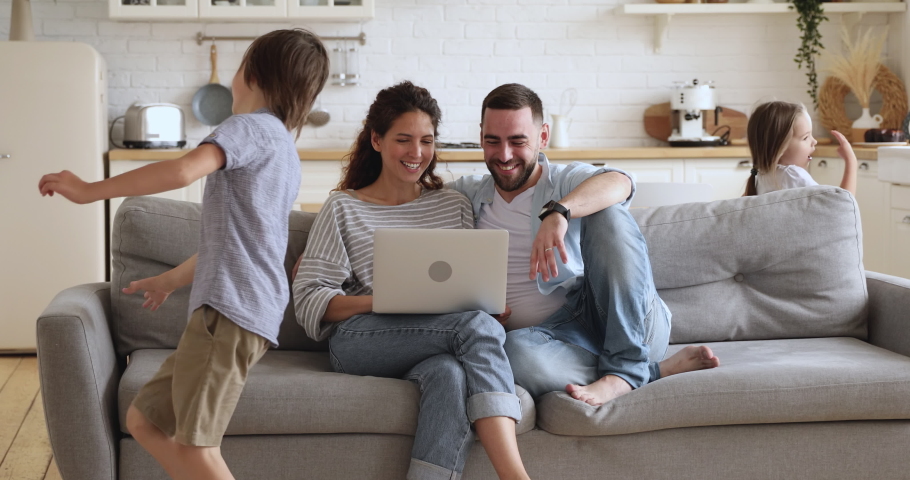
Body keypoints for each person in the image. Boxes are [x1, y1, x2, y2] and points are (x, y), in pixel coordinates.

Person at [39, 29, 330, 480]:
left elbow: (182, 169)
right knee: (144, 421)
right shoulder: (284, 151)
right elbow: (241, 244)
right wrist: (169, 280)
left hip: (230, 314)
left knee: (197, 447)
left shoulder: (247, 128)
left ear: (251, 75)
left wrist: (89, 190)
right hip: (243, 310)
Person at [292, 81, 531, 480]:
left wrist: (486, 302)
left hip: (435, 338)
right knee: (476, 327)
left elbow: (465, 279)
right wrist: (384, 299)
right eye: (404, 139)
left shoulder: (452, 204)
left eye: (427, 140)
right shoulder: (344, 207)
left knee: (449, 374)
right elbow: (311, 301)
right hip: (360, 340)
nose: (417, 153)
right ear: (377, 140)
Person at [451, 83, 720, 407]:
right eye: (493, 141)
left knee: (607, 209)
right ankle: (646, 372)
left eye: (518, 141)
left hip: (616, 318)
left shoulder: (564, 180)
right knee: (511, 354)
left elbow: (620, 181)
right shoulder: (469, 195)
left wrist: (559, 212)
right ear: (480, 136)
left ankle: (624, 365)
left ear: (543, 137)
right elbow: (414, 197)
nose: (505, 155)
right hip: (554, 342)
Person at [744, 100, 857, 196]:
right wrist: (851, 162)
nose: (814, 141)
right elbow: (840, 207)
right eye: (805, 137)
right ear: (781, 147)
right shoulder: (792, 175)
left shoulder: (761, 177)